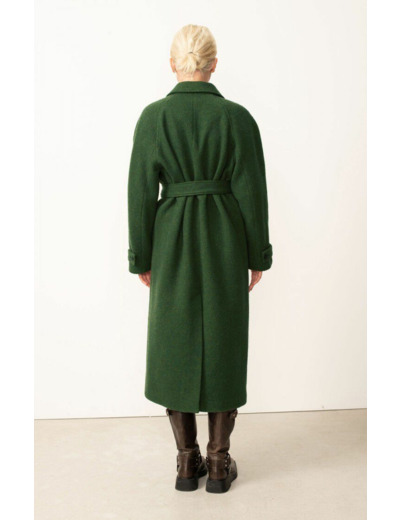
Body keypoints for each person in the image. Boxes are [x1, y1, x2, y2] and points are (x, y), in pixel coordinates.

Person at [127, 24, 273, 493]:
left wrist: (141, 256)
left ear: (173, 64)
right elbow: (253, 192)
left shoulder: (153, 118)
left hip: (171, 240)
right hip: (225, 237)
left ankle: (186, 462)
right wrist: (257, 254)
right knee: (224, 341)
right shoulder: (237, 118)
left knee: (174, 343)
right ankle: (218, 461)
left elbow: (139, 194)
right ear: (214, 64)